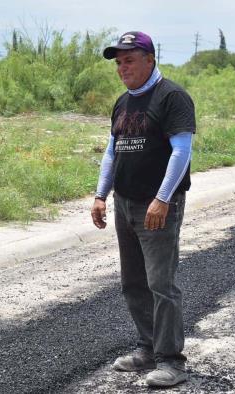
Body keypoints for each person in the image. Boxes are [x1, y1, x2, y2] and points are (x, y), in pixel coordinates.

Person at [91, 31, 195, 387]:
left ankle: (172, 362)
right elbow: (111, 151)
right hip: (125, 203)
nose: (123, 68)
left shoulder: (172, 97)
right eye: (119, 62)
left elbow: (182, 152)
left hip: (158, 206)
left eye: (129, 60)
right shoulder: (122, 103)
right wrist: (101, 194)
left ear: (150, 59)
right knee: (133, 282)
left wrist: (163, 198)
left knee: (161, 284)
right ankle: (148, 349)